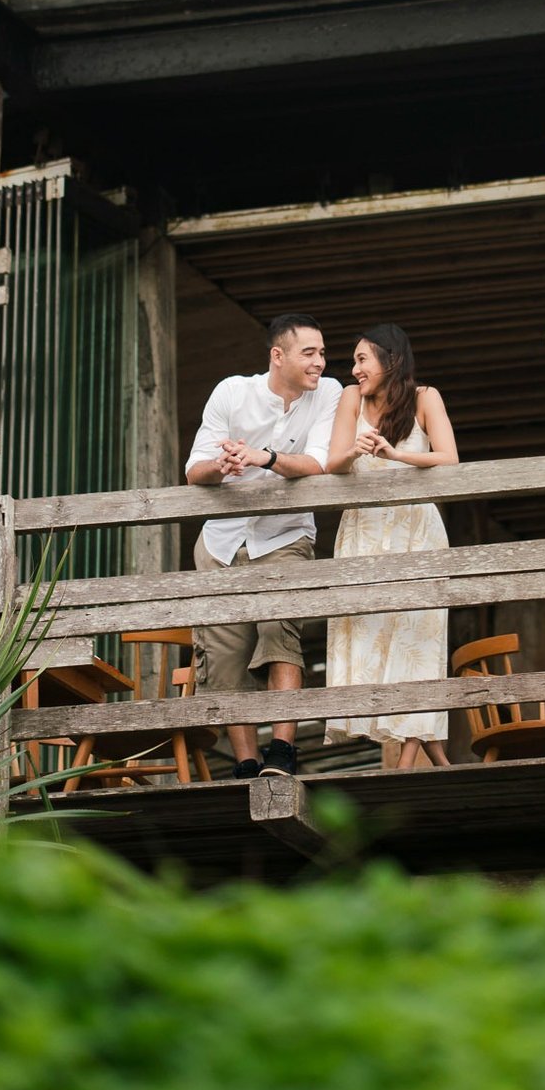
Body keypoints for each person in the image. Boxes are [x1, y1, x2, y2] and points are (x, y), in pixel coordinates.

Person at [185, 313, 341, 780]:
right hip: (221, 541)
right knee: (224, 655)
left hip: (285, 536)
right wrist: (225, 464)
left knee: (280, 633)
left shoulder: (328, 393)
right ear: (278, 356)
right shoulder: (232, 391)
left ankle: (283, 753)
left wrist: (264, 458)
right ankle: (247, 763)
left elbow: (318, 462)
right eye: (308, 353)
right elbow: (194, 470)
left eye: (322, 352)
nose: (319, 362)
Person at [322, 323, 458, 769]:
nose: (355, 368)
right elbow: (333, 463)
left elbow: (450, 459)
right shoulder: (350, 398)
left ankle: (408, 759)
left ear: (391, 360)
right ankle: (428, 754)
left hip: (415, 528)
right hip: (364, 530)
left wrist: (396, 455)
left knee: (416, 636)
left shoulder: (425, 398)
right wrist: (357, 451)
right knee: (366, 632)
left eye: (363, 359)